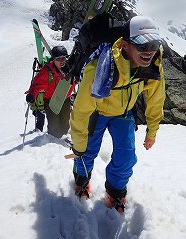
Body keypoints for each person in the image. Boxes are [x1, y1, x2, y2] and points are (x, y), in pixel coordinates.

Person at [70, 15, 166, 213]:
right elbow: (81, 110)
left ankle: (115, 192)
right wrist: (78, 146)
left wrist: (152, 131)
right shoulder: (100, 67)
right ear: (125, 45)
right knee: (86, 152)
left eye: (154, 44)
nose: (149, 51)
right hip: (96, 112)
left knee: (126, 157)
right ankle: (81, 179)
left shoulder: (153, 64)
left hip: (123, 112)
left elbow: (156, 98)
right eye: (142, 45)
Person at [26, 45, 75, 138]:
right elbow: (37, 84)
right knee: (54, 125)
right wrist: (31, 94)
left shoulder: (70, 68)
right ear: (53, 59)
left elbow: (76, 80)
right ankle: (53, 141)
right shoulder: (48, 71)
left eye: (64, 58)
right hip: (51, 100)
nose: (62, 61)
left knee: (65, 123)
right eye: (58, 59)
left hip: (65, 99)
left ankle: (62, 140)